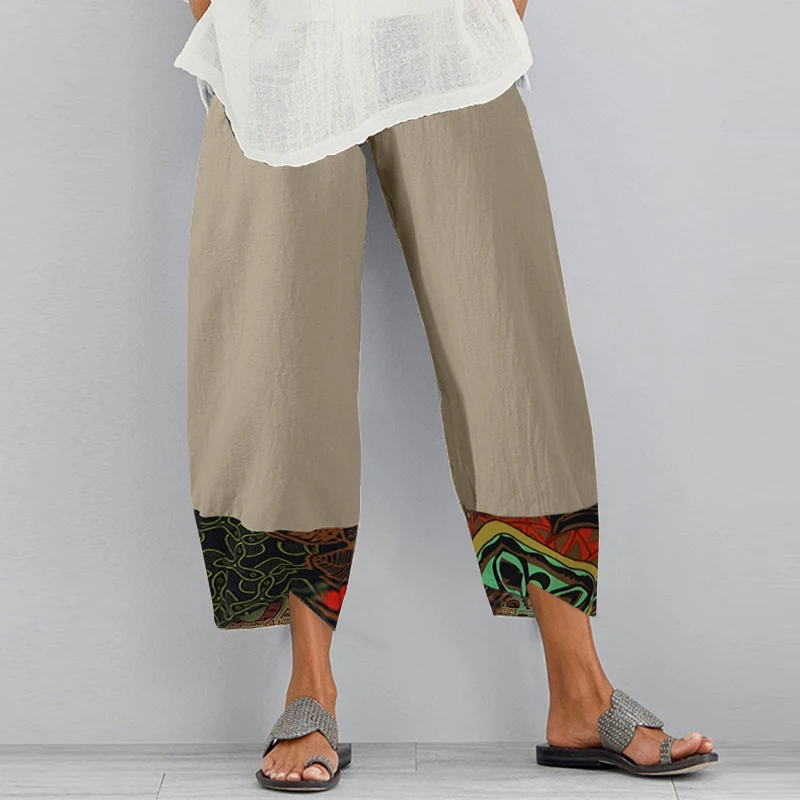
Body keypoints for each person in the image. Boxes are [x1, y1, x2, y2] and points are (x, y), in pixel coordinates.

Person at [174, 0, 718, 792]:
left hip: (442, 36)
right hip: (276, 42)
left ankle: (580, 691)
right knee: (280, 374)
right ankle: (309, 689)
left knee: (514, 361)